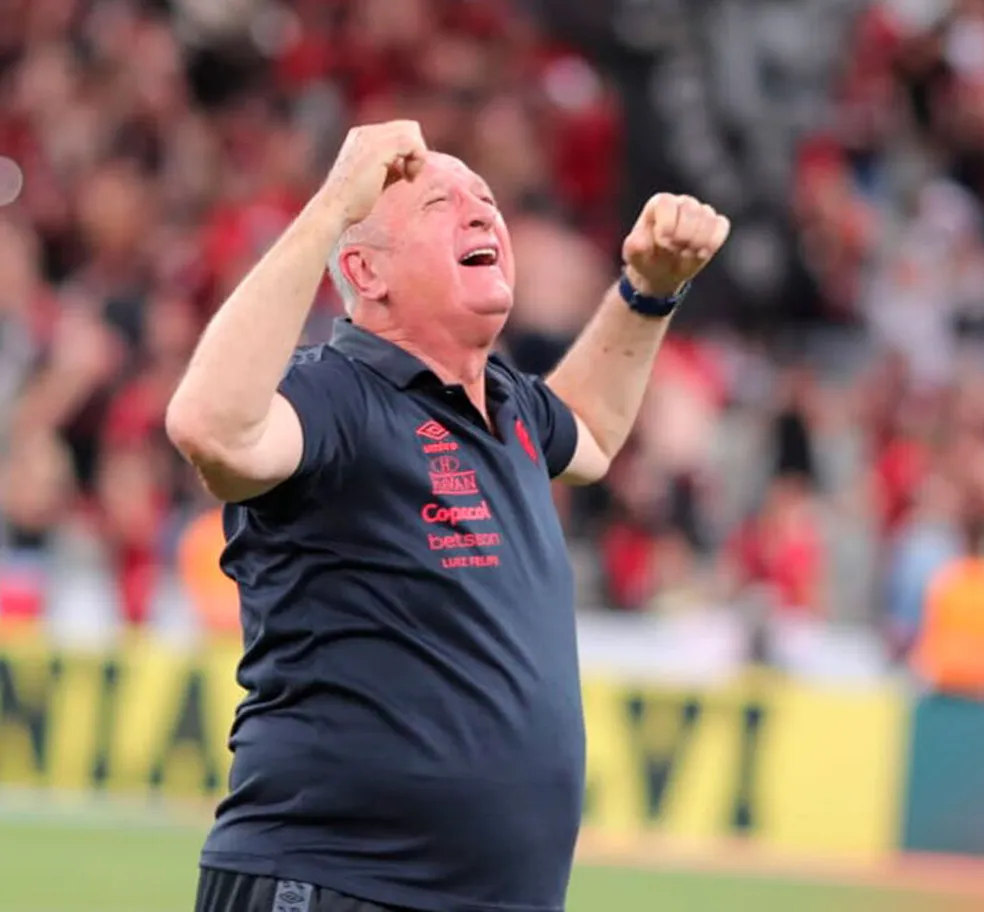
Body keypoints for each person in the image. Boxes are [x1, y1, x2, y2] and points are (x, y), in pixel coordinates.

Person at [166, 120, 730, 912]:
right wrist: (334, 203)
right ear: (366, 270)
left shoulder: (511, 407)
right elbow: (212, 428)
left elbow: (593, 433)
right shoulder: (338, 395)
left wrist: (647, 290)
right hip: (333, 883)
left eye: (487, 199)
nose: (480, 213)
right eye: (441, 202)